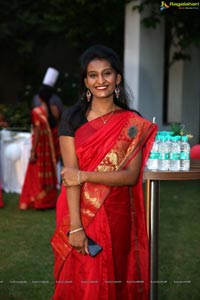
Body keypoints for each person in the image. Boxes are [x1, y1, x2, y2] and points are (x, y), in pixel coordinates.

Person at [51, 44, 157, 300]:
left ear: (117, 78)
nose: (101, 80)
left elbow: (131, 176)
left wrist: (85, 175)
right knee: (84, 279)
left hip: (118, 212)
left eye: (107, 73)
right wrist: (76, 228)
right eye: (93, 75)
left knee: (115, 277)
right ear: (85, 81)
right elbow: (70, 177)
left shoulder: (132, 122)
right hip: (79, 213)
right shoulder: (72, 118)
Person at [19, 86, 58, 210]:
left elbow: (37, 133)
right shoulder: (55, 110)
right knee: (49, 172)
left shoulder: (37, 111)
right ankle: (49, 201)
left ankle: (39, 202)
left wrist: (32, 151)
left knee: (35, 173)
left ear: (39, 97)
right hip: (51, 149)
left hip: (41, 148)